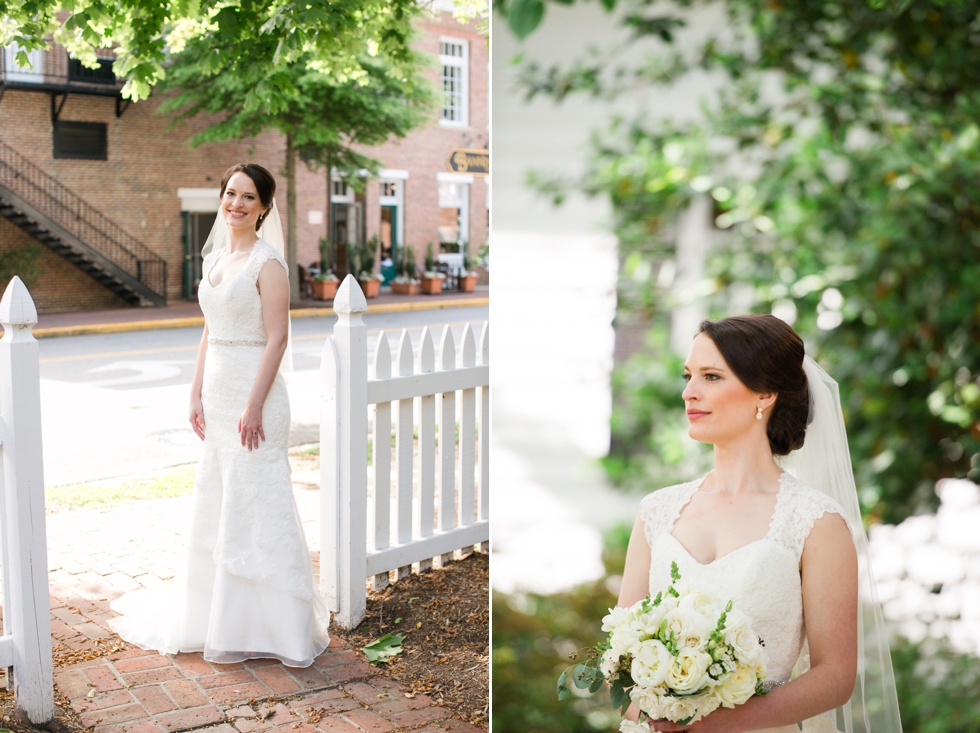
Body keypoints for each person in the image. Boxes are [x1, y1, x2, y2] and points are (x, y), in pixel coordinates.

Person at [617, 315, 901, 733]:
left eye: (711, 377)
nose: (688, 392)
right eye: (689, 375)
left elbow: (835, 675)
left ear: (765, 394)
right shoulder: (656, 511)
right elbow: (621, 654)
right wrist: (647, 713)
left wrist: (708, 725)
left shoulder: (815, 522)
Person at [108, 164, 329, 667]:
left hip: (257, 395)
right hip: (219, 390)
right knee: (220, 498)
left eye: (249, 197)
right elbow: (209, 330)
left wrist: (253, 406)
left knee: (258, 501)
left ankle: (274, 627)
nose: (237, 204)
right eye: (231, 193)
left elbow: (278, 338)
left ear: (264, 207)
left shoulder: (267, 264)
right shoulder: (215, 259)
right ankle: (220, 618)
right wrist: (194, 393)